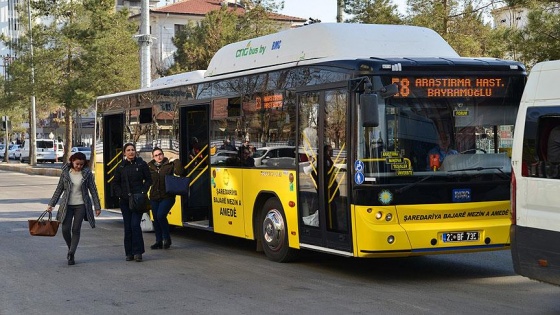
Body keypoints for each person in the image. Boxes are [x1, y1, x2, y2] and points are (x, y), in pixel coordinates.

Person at [47, 152, 101, 265]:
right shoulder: (65, 173)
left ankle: (71, 253)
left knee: (76, 229)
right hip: (67, 205)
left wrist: (97, 206)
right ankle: (71, 248)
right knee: (65, 229)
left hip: (81, 205)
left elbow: (93, 190)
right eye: (77, 164)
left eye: (81, 164)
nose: (79, 166)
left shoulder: (87, 173)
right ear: (72, 162)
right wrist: (51, 204)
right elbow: (59, 189)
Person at [111, 143, 152, 262]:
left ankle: (138, 252)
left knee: (135, 225)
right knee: (128, 227)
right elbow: (115, 183)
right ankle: (129, 253)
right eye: (128, 150)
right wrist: (121, 194)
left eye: (132, 150)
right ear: (124, 153)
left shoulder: (141, 164)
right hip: (125, 201)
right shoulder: (120, 167)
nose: (131, 152)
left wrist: (143, 191)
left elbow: (149, 180)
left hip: (138, 201)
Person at [147, 147, 184, 250]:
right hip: (154, 196)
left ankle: (166, 238)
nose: (159, 157)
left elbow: (180, 172)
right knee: (155, 219)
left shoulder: (169, 165)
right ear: (153, 157)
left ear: (163, 154)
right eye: (156, 155)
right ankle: (158, 241)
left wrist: (176, 161)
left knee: (161, 215)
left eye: (160, 154)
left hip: (167, 196)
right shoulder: (149, 167)